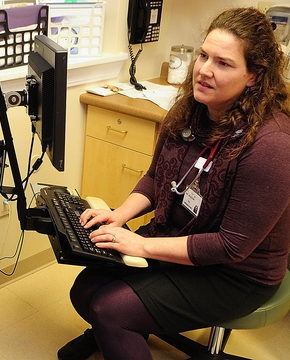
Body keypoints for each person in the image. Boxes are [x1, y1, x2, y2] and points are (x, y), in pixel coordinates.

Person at [59, 7, 290, 360]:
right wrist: (120, 215)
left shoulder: (272, 145)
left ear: (255, 76)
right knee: (85, 290)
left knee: (110, 310)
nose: (204, 70)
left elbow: (231, 247)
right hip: (174, 236)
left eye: (224, 63)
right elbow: (156, 178)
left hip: (236, 274)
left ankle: (120, 329)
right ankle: (119, 335)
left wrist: (142, 246)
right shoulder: (189, 110)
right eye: (203, 55)